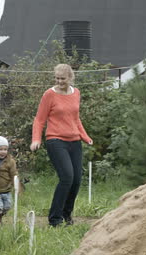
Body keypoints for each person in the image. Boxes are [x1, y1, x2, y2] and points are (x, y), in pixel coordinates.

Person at [30, 63, 93, 227]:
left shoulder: (76, 93)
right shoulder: (49, 95)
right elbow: (39, 119)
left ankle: (67, 214)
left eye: (62, 78)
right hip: (55, 140)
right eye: (57, 78)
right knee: (67, 177)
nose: (59, 81)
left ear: (70, 78)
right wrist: (36, 139)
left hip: (74, 141)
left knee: (77, 180)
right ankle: (54, 219)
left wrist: (85, 137)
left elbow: (76, 118)